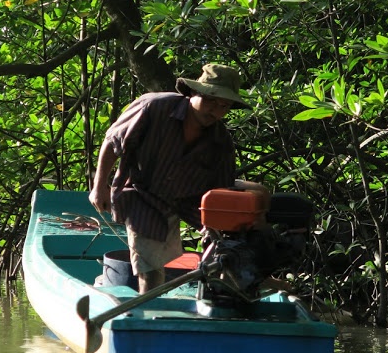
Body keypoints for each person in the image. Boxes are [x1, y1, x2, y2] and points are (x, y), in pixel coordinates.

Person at [89, 63, 269, 294]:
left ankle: (240, 293)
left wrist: (216, 228)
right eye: (210, 101)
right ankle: (150, 309)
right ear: (194, 93)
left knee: (234, 242)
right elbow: (112, 142)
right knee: (150, 263)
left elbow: (220, 191)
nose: (215, 111)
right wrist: (99, 187)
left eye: (223, 106)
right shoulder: (153, 107)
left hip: (191, 199)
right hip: (142, 193)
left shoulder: (220, 141)